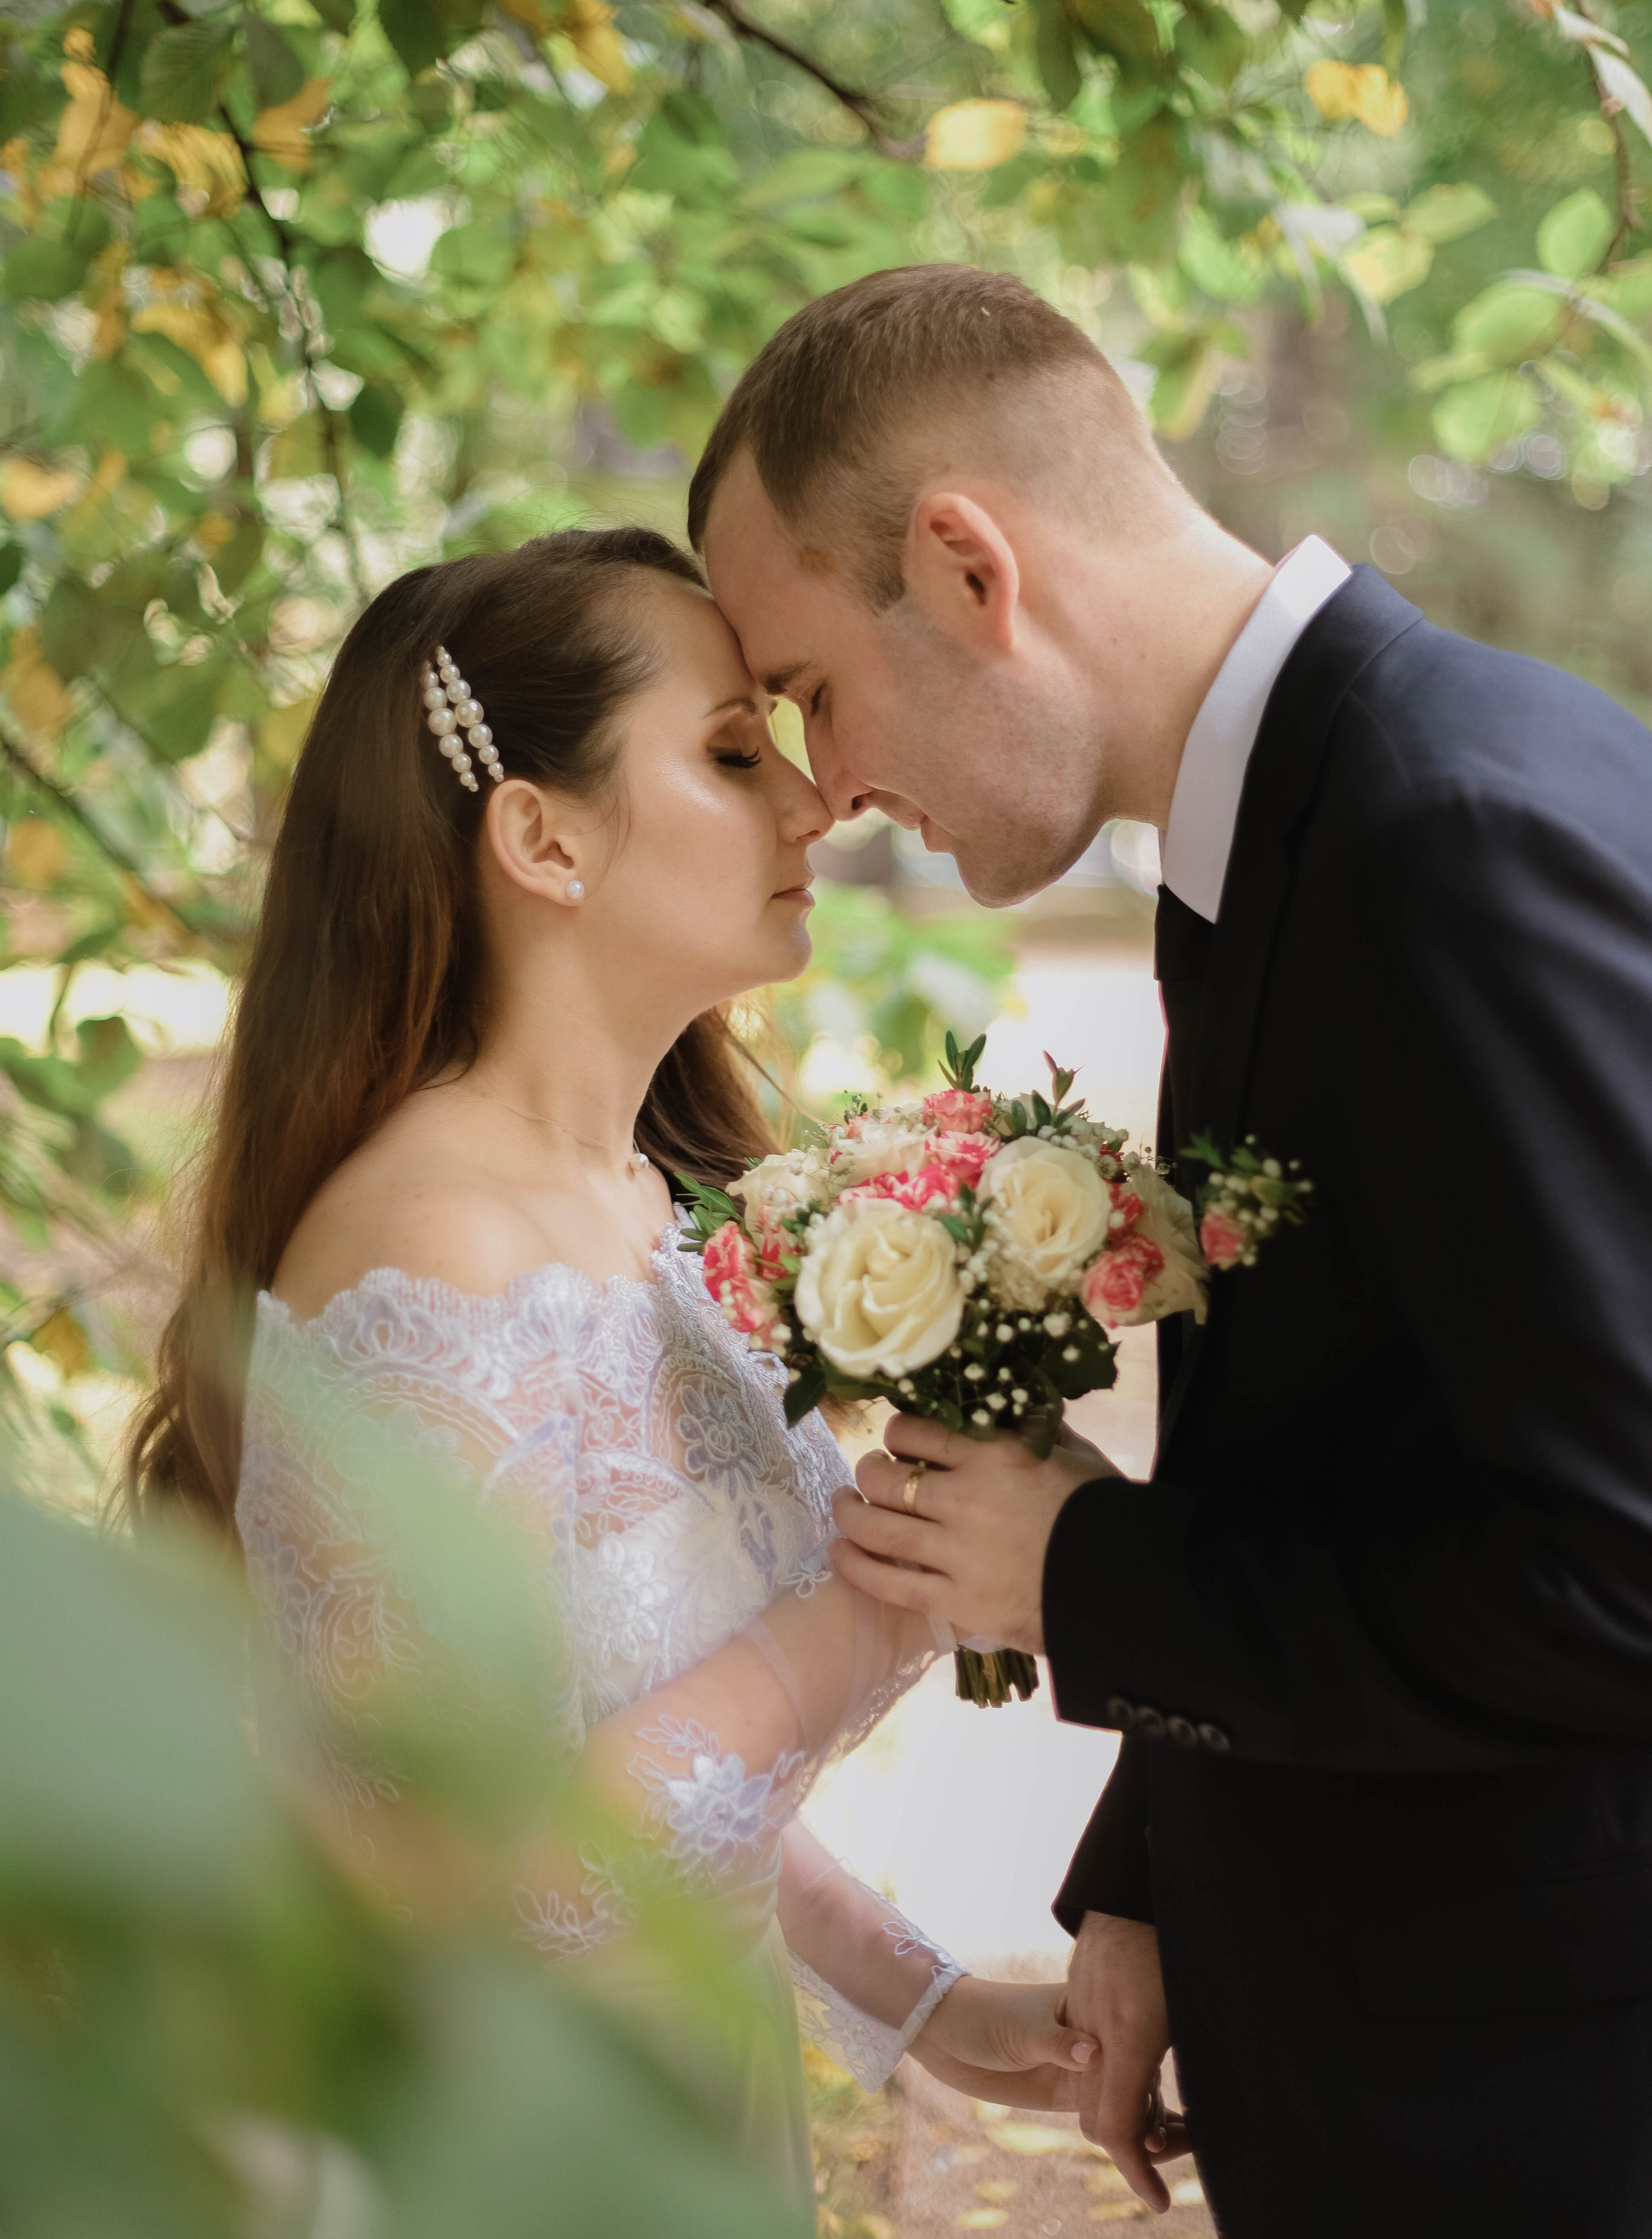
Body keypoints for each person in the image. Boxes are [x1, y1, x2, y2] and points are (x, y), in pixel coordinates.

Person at [689, 266, 1652, 2236]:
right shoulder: (1279, 832)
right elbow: (1349, 1444)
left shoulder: (1441, 838)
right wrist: (1151, 1860)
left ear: (969, 568)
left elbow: (1622, 1567)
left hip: (1539, 2110)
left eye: (806, 692)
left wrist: (1080, 1572)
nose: (828, 786)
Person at [125, 526, 1096, 2205]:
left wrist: (929, 1999)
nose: (813, 804)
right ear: (540, 837)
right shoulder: (427, 1261)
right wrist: (872, 1606)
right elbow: (495, 1874)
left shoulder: (655, 1205)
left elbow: (660, 1781)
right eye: (735, 753)